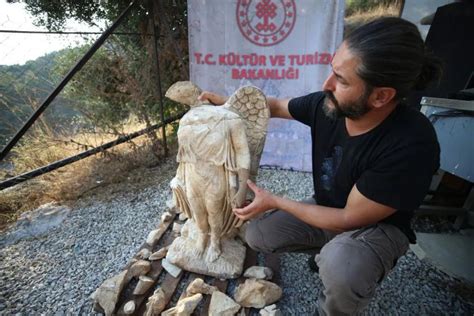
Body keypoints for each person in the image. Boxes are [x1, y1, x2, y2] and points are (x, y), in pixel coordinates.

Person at [199, 17, 441, 315]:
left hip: (377, 228)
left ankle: (336, 297)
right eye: (332, 70)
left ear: (381, 96)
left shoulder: (411, 143)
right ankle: (328, 251)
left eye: (342, 80)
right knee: (258, 235)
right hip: (331, 209)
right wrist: (224, 107)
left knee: (343, 266)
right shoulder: (328, 105)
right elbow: (272, 107)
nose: (326, 85)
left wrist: (275, 201)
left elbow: (349, 218)